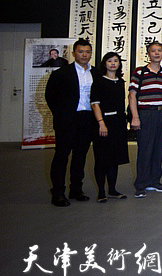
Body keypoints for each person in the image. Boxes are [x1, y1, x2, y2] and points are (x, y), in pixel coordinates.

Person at [45, 38, 100, 206]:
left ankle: (76, 189)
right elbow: (50, 96)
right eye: (81, 52)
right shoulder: (62, 73)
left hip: (87, 119)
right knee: (62, 156)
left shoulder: (96, 73)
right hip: (67, 120)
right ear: (74, 53)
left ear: (91, 54)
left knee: (80, 156)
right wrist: (61, 115)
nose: (84, 55)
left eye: (87, 52)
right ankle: (58, 193)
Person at [129, 41, 162, 198]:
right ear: (148, 54)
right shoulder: (140, 72)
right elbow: (132, 95)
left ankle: (155, 181)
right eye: (153, 51)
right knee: (145, 149)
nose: (157, 53)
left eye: (159, 50)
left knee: (158, 149)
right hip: (145, 114)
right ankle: (141, 184)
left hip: (161, 114)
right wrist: (135, 116)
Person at [89, 52, 130, 202]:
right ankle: (101, 192)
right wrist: (101, 123)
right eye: (110, 61)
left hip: (118, 123)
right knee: (101, 158)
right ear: (104, 63)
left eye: (116, 61)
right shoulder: (99, 81)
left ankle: (112, 189)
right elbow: (95, 104)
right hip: (104, 122)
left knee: (114, 158)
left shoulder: (120, 81)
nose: (113, 63)